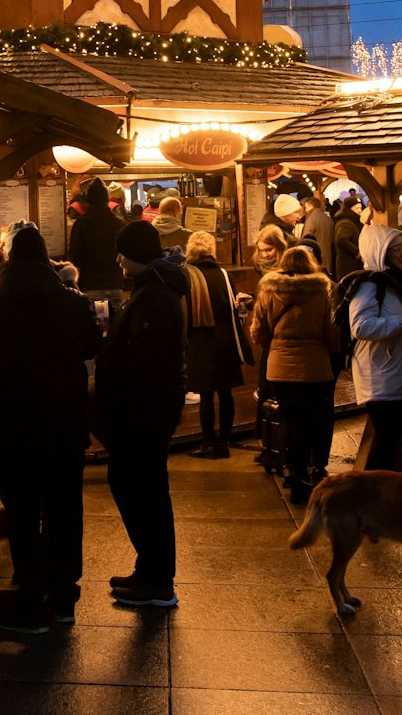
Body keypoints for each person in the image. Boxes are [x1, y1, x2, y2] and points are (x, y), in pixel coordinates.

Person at [0, 226, 102, 632]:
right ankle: (62, 597)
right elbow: (94, 346)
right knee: (64, 508)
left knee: (23, 511)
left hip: (14, 422)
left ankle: (29, 600)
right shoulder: (71, 303)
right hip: (64, 422)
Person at [96, 219, 187, 609]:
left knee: (139, 488)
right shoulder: (155, 288)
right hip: (148, 407)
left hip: (143, 410)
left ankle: (157, 581)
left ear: (135, 254)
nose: (117, 259)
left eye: (122, 251)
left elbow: (143, 361)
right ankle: (149, 569)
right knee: (142, 487)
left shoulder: (155, 296)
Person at [249, 245, 336, 501]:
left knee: (289, 419)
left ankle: (291, 471)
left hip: (280, 367)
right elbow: (331, 333)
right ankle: (310, 471)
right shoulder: (322, 291)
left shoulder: (268, 291)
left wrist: (274, 344)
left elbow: (258, 332)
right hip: (315, 368)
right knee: (312, 421)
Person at [338, 224, 402, 471]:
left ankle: (386, 491)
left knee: (390, 441)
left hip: (392, 372)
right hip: (382, 374)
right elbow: (361, 326)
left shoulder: (391, 283)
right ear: (381, 250)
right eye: (397, 248)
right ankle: (376, 493)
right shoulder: (370, 285)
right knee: (385, 444)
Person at [182, 231, 245, 460]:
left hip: (200, 341)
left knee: (206, 396)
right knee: (226, 393)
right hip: (226, 339)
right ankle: (224, 443)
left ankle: (207, 442)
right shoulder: (224, 274)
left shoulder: (187, 274)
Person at [67, 176, 127, 316]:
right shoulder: (120, 223)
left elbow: (74, 257)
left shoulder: (81, 224)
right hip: (114, 284)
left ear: (88, 200)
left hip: (90, 285)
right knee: (115, 327)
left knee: (95, 329)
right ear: (107, 199)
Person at [331, 197, 364, 280]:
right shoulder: (346, 223)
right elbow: (341, 239)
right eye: (356, 208)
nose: (360, 210)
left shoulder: (351, 221)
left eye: (360, 208)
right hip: (348, 264)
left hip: (349, 264)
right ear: (349, 209)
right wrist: (357, 252)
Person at [302, 197, 335, 272]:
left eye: (306, 207)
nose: (306, 210)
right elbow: (333, 238)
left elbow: (306, 240)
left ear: (310, 206)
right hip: (327, 255)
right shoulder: (328, 219)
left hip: (315, 256)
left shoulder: (311, 219)